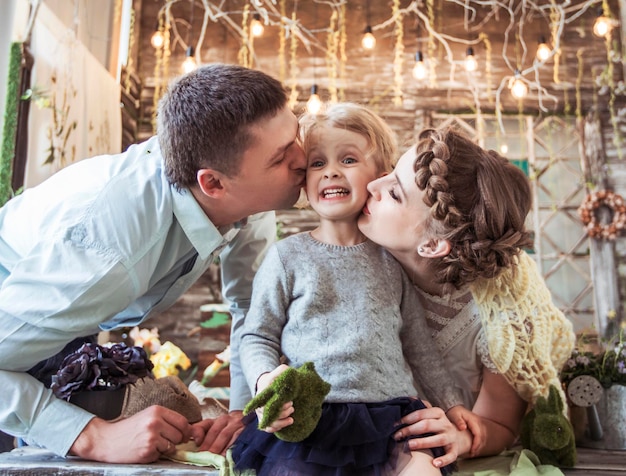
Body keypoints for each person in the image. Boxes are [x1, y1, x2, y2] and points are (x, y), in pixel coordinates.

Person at [0, 63, 307, 463]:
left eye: (296, 133)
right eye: (281, 157)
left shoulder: (244, 197)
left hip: (63, 324)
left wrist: (245, 412)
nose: (304, 158)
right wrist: (92, 437)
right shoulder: (109, 252)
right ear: (212, 184)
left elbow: (252, 308)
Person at [232, 104, 475, 476]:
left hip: (390, 419)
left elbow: (418, 347)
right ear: (303, 181)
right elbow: (257, 336)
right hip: (311, 418)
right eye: (317, 163)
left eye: (348, 159)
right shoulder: (286, 257)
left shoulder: (392, 261)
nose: (330, 171)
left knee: (423, 471)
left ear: (378, 176)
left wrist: (453, 404)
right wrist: (266, 380)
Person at [358, 126, 576, 464]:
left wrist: (460, 437)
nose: (373, 185)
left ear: (431, 245)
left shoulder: (501, 317)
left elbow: (499, 423)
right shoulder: (360, 259)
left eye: (394, 193)